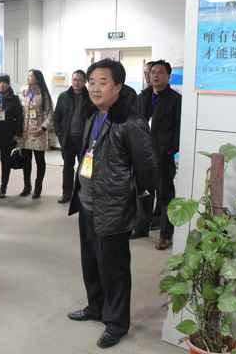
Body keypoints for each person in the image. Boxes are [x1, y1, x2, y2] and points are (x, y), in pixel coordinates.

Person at [67, 58, 155, 349]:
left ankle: (116, 323)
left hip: (114, 207)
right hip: (87, 202)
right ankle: (96, 306)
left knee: (114, 269)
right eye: (91, 82)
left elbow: (147, 167)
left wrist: (136, 199)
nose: (95, 88)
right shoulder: (93, 115)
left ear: (118, 86)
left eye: (102, 82)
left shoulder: (130, 122)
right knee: (91, 261)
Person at [133, 60, 181, 250]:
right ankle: (142, 227)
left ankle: (165, 235)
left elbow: (179, 129)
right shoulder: (142, 97)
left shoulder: (175, 100)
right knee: (143, 194)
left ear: (168, 76)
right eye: (153, 72)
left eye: (160, 72)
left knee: (165, 196)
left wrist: (170, 149)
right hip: (142, 155)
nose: (155, 75)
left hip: (163, 155)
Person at [54, 70, 96, 204]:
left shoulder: (90, 97)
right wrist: (60, 135)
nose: (76, 83)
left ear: (85, 82)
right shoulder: (63, 97)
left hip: (84, 140)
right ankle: (66, 193)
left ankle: (81, 193)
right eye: (74, 80)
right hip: (68, 139)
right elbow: (56, 117)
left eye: (79, 80)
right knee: (67, 167)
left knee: (84, 169)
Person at [18, 69, 53, 199]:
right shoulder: (23, 91)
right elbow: (19, 111)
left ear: (37, 78)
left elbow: (50, 113)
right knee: (26, 161)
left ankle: (38, 187)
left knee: (39, 160)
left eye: (31, 76)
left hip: (39, 132)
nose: (28, 78)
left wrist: (43, 128)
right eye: (28, 76)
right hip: (25, 132)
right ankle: (27, 186)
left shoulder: (44, 93)